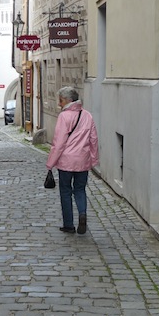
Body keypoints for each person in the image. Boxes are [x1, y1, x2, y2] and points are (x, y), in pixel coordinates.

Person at [46, 86, 99, 234]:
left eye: (61, 101)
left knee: (65, 191)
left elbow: (59, 142)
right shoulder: (87, 115)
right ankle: (82, 213)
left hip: (66, 161)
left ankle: (68, 224)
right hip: (83, 160)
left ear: (68, 100)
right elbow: (93, 139)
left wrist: (50, 163)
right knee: (80, 190)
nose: (59, 104)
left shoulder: (64, 116)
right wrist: (94, 159)